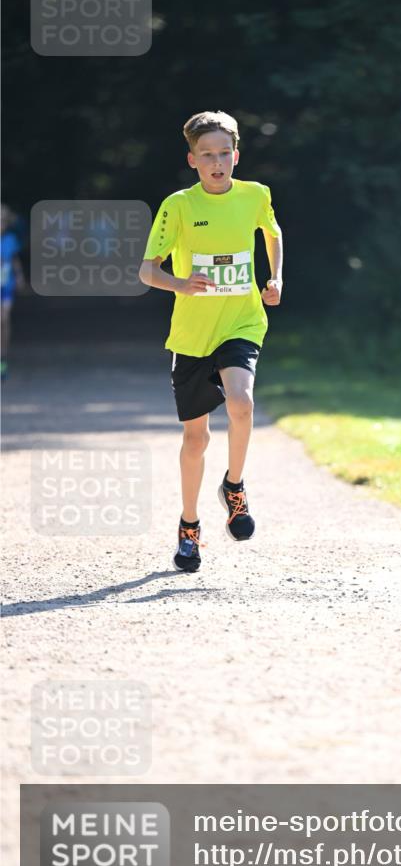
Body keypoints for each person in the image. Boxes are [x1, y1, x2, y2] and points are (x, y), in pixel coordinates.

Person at [139, 110, 284, 573]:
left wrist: (275, 276)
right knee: (196, 438)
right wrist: (180, 283)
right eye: (208, 156)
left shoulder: (255, 195)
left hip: (241, 321)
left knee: (242, 402)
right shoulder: (178, 205)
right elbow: (148, 270)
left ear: (236, 155)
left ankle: (235, 487)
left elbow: (272, 232)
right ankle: (189, 526)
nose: (217, 162)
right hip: (192, 335)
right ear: (192, 160)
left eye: (224, 153)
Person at [1, 204, 27, 379]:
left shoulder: (10, 239)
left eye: (2, 222)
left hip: (6, 287)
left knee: (4, 320)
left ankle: (2, 358)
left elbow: (14, 259)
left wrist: (19, 276)